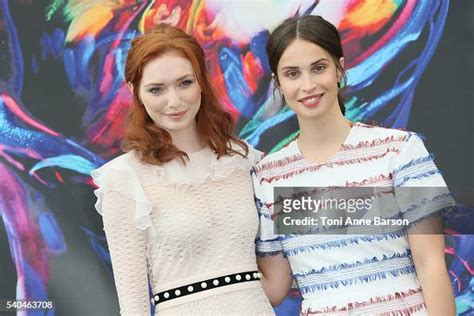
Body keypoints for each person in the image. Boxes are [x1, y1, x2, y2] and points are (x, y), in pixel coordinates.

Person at [253, 15, 456, 315]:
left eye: (318, 68)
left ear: (339, 68)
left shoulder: (399, 150)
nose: (307, 85)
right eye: (292, 73)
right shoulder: (269, 176)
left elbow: (431, 266)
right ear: (278, 83)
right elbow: (275, 287)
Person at [91, 24, 274, 315]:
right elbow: (133, 304)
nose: (174, 101)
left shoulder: (244, 158)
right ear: (134, 91)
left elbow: (286, 255)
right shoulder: (124, 179)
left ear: (201, 80)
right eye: (156, 89)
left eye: (185, 83)